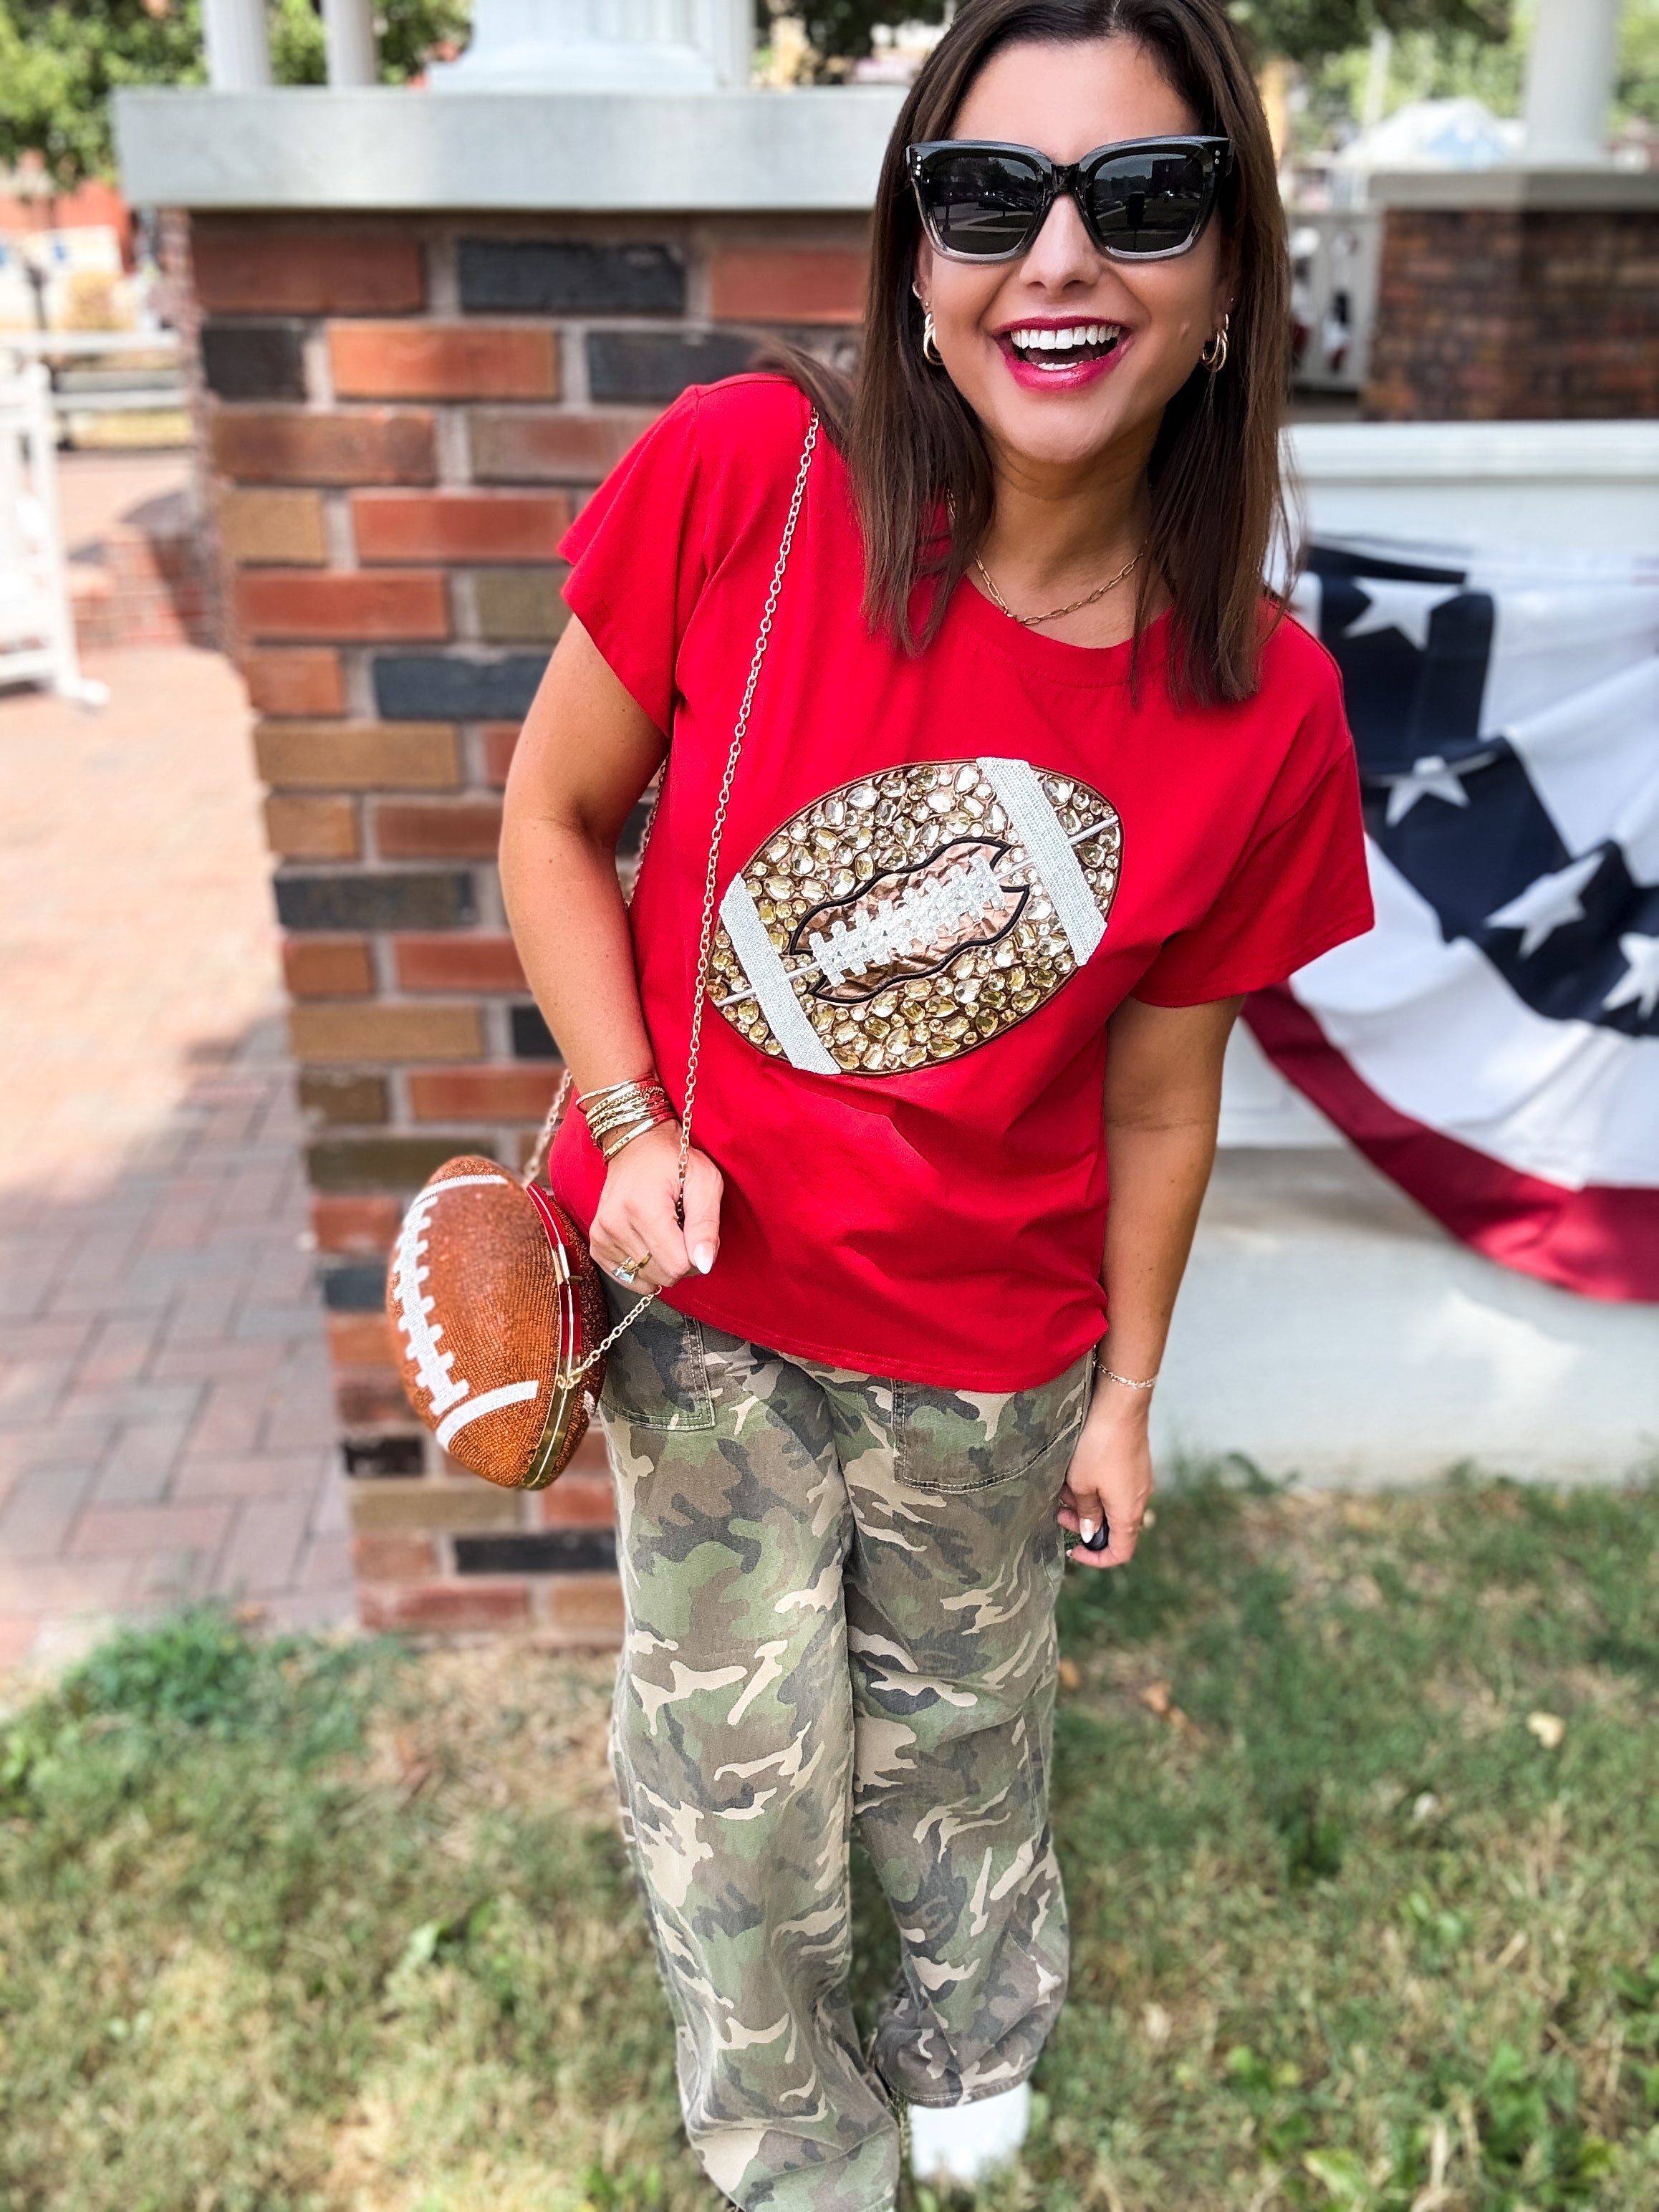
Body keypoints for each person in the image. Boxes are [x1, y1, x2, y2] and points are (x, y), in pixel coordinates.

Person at [499, 0, 1374, 2203]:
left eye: (1143, 198)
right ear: (914, 254)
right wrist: (626, 1120)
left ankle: (971, 2030)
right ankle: (789, 2129)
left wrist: (1126, 1395)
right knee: (737, 1760)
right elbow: (550, 821)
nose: (1056, 256)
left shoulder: (1261, 705)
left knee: (959, 1729)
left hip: (988, 1348)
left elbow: (1161, 1105)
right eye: (988, 196)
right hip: (701, 1306)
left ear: (1230, 266)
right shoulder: (745, 481)